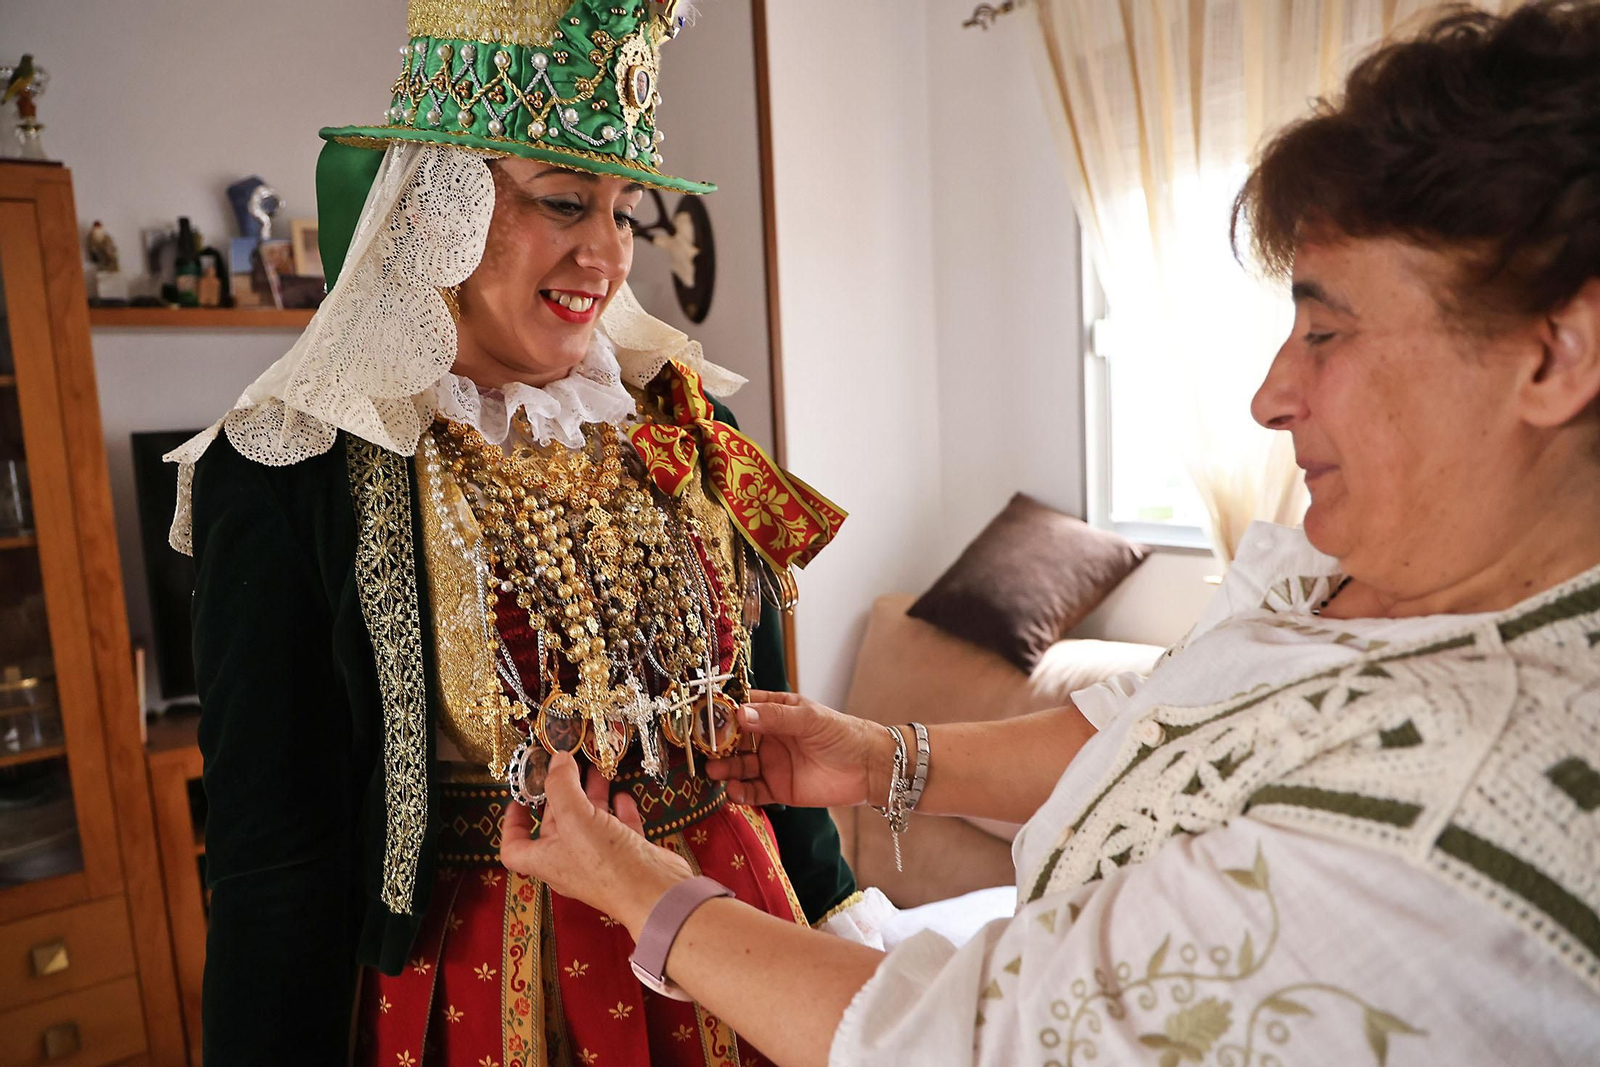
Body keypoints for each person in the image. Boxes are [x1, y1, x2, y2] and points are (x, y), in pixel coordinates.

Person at [499, 3, 1600, 1064]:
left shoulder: (1457, 818)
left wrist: (642, 888)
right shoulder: (1373, 565)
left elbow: (981, 1039)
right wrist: (882, 756)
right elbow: (1177, 721)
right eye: (561, 202)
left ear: (1555, 355)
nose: (1270, 395)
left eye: (1326, 328)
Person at [169, 1, 883, 1063]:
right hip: (495, 992)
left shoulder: (685, 424)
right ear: (435, 205)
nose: (604, 253)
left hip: (738, 945)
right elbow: (274, 859)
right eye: (563, 202)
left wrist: (829, 903)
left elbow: (758, 718)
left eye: (622, 212)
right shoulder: (293, 471)